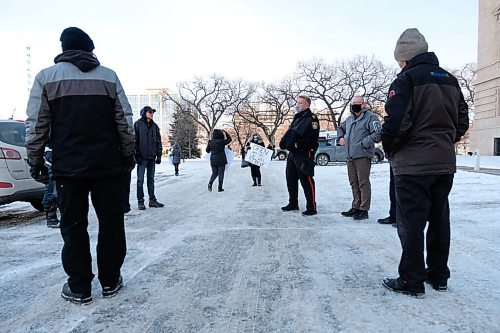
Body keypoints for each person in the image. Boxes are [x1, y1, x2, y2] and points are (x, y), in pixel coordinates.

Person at [25, 27, 135, 304]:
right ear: (90, 49)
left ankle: (79, 286)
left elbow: (37, 124)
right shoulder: (109, 77)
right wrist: (127, 154)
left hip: (68, 167)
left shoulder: (46, 78)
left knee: (73, 225)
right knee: (111, 223)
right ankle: (110, 280)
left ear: (63, 48)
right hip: (107, 165)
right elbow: (124, 120)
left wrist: (35, 159)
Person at [381, 28, 469, 297]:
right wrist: (442, 141)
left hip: (412, 165)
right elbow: (462, 123)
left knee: (411, 223)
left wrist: (391, 149)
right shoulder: (451, 81)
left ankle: (411, 280)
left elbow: (396, 123)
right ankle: (438, 275)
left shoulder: (406, 80)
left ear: (404, 57)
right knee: (440, 219)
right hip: (443, 163)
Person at [338, 96, 382, 220]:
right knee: (353, 182)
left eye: (358, 103)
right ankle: (355, 206)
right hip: (350, 155)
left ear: (363, 104)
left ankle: (364, 209)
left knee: (363, 183)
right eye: (353, 103)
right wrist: (340, 137)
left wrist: (363, 143)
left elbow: (378, 134)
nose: (355, 105)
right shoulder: (350, 119)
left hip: (363, 155)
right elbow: (340, 128)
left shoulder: (371, 117)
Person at [279, 95, 320, 216]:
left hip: (304, 152)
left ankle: (311, 207)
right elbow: (291, 132)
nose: (298, 105)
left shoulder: (312, 118)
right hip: (293, 153)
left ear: (307, 105)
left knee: (306, 179)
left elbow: (313, 137)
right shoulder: (298, 117)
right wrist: (284, 142)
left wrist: (298, 145)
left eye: (300, 103)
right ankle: (293, 203)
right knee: (290, 178)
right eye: (297, 102)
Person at [134, 106, 164, 210]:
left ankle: (152, 200)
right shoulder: (138, 124)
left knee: (151, 179)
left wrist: (159, 155)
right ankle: (140, 201)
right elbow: (135, 141)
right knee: (140, 180)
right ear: (144, 113)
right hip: (142, 157)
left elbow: (158, 142)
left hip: (151, 157)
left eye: (152, 112)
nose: (152, 114)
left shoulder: (154, 126)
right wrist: (136, 154)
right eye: (150, 112)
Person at [43, 149, 59, 228]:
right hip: (52, 151)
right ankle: (51, 218)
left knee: (54, 188)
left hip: (60, 150)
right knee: (53, 189)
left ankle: (52, 218)